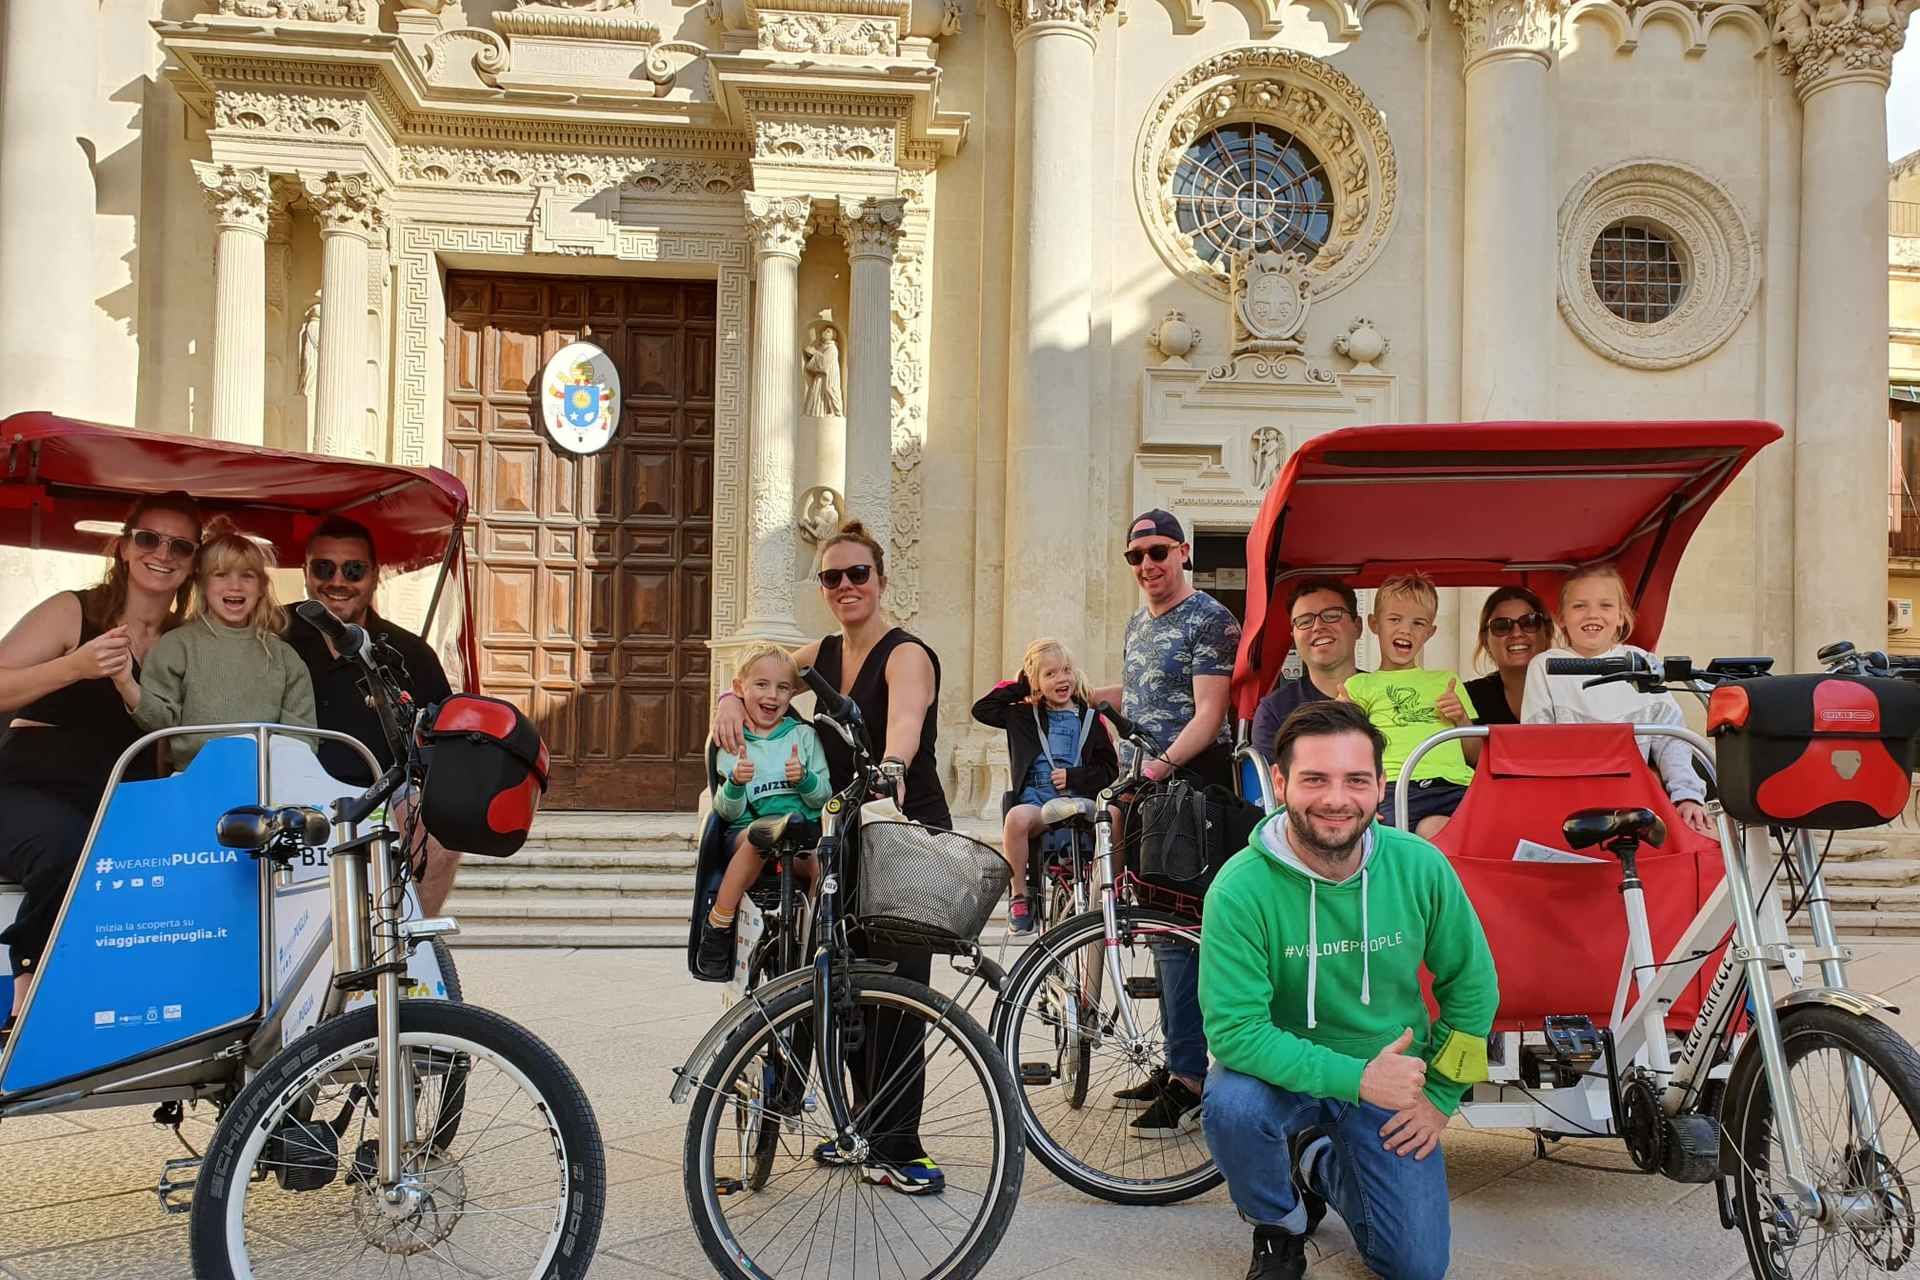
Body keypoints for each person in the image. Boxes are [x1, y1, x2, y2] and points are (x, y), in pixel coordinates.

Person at [1200, 700, 1498, 1280]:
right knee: (1231, 1104)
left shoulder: (1421, 866)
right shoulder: (1239, 889)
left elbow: (1475, 986)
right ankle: (1280, 1226)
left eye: (1355, 780)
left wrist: (1440, 1097)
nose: (1337, 799)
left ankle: (1314, 1162)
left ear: (1380, 787)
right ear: (1280, 783)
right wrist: (1354, 1078)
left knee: (1414, 1266)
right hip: (1280, 1076)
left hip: (1388, 1084)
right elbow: (1235, 1033)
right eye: (1315, 779)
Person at [713, 518, 952, 1195]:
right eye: (832, 576)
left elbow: (904, 720)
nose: (846, 586)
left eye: (858, 574)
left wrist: (893, 765)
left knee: (897, 990)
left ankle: (901, 1145)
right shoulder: (820, 650)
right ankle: (861, 1131)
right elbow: (764, 672)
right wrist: (732, 697)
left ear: (880, 579)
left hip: (903, 826)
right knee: (844, 984)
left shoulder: (906, 653)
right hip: (845, 830)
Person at [0, 493, 202, 1029]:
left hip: (125, 799)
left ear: (193, 562)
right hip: (30, 790)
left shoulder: (187, 641)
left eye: (181, 545)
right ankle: (28, 984)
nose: (163, 553)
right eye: (149, 539)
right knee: (73, 846)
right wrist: (75, 666)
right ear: (124, 548)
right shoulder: (76, 610)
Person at [1088, 508, 1240, 1139]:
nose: (1147, 566)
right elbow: (1147, 694)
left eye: (1157, 553)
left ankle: (1193, 1080)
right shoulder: (1136, 621)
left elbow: (1210, 713)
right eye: (1135, 557)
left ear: (1183, 551)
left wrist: (1159, 767)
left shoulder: (1211, 618)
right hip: (1149, 787)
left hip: (1193, 787)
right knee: (1159, 929)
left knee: (1182, 935)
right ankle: (1179, 1065)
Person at [284, 516, 459, 912]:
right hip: (288, 788)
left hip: (381, 792)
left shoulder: (409, 653)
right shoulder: (273, 631)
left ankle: (411, 943)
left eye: (354, 570)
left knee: (441, 830)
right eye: (324, 568)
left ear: (374, 575)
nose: (338, 581)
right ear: (306, 573)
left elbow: (439, 745)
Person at [1521, 563, 1713, 836]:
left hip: (1637, 797)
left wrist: (1687, 795)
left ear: (1622, 616)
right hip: (1570, 798)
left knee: (1709, 837)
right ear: (1561, 617)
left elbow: (1672, 740)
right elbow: (1537, 745)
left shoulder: (1643, 663)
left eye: (1605, 606)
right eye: (1579, 606)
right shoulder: (1545, 666)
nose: (1593, 614)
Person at [118, 519, 316, 770]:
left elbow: (301, 735)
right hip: (194, 780)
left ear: (261, 587)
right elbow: (160, 721)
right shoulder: (177, 645)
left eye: (247, 576)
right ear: (202, 584)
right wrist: (125, 682)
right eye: (221, 574)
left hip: (267, 783)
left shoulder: (285, 657)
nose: (235, 585)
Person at [694, 643, 831, 979]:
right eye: (761, 684)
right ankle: (718, 925)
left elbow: (823, 798)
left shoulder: (804, 736)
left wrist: (805, 779)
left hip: (798, 837)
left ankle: (814, 939)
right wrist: (736, 784)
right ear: (739, 688)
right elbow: (725, 810)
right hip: (748, 833)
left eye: (783, 687)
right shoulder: (732, 739)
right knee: (759, 839)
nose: (772, 695)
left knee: (821, 863)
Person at [970, 637, 1118, 934]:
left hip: (1078, 799)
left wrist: (1075, 777)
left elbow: (1109, 769)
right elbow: (982, 709)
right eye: (1050, 674)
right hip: (1038, 801)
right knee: (1016, 819)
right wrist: (1028, 684)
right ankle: (1019, 895)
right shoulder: (1022, 716)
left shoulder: (1091, 719)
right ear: (1034, 682)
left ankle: (1111, 887)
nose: (1061, 679)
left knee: (1114, 815)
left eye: (1066, 670)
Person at [1342, 572, 1477, 839]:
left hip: (1455, 786)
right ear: (1374, 624)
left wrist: (1461, 718)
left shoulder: (1447, 680)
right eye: (1394, 619)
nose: (1406, 630)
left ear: (1430, 632)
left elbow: (1475, 755)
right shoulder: (1358, 686)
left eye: (1418, 623)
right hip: (1394, 789)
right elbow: (1347, 753)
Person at [1250, 579, 1366, 759]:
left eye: (1332, 615)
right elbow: (1276, 786)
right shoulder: (1274, 712)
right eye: (1304, 621)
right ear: (1293, 637)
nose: (1318, 626)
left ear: (1357, 627)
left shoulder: (1392, 695)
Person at [1461, 587, 1550, 727]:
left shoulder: (1572, 691)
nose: (1516, 633)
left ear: (1547, 632)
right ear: (1485, 640)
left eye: (1530, 622)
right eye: (1501, 626)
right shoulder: (1466, 698)